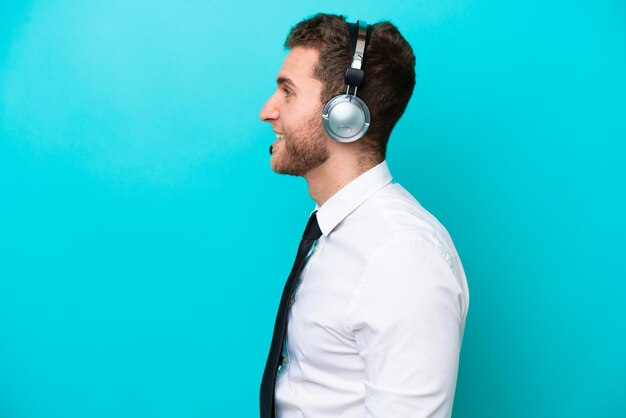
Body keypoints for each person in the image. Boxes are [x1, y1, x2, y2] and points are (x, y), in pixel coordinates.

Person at [259, 13, 469, 418]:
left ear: (344, 117)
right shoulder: (335, 231)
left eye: (287, 92)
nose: (267, 111)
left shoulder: (401, 257)